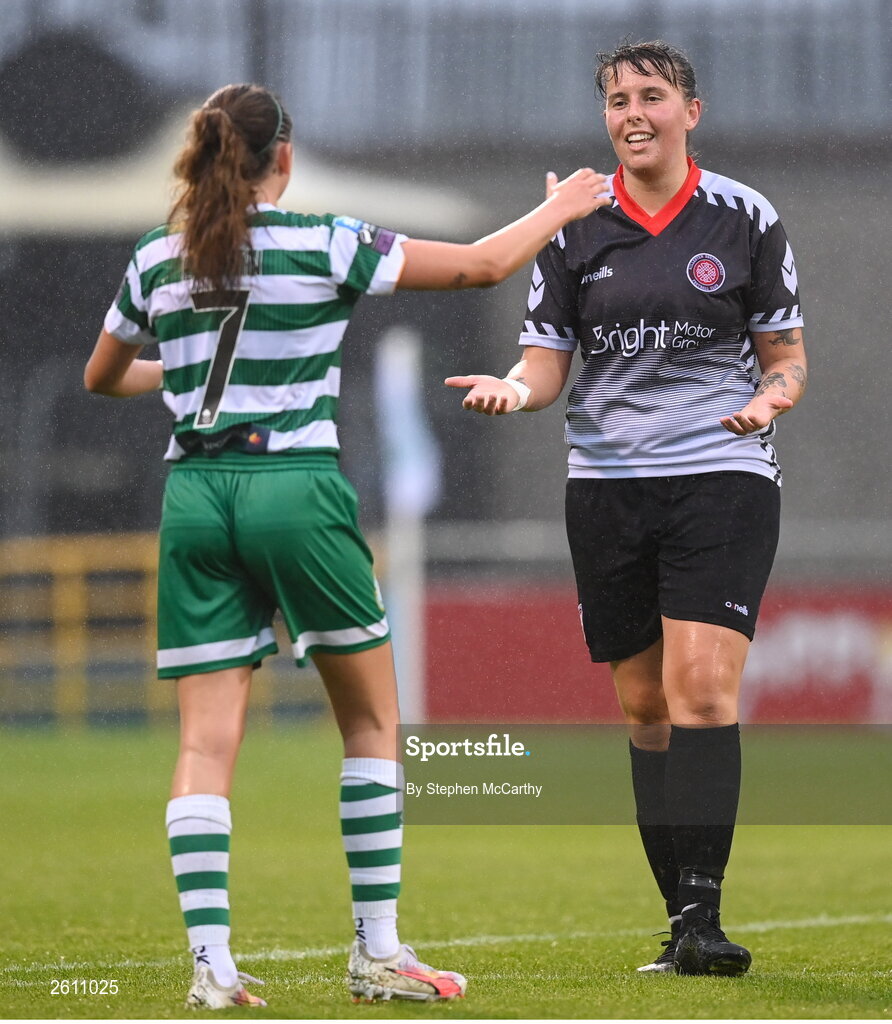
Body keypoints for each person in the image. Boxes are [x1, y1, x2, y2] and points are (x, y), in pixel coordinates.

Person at [83, 83, 608, 1009]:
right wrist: (563, 205)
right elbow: (484, 266)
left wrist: (204, 374)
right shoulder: (323, 239)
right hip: (295, 489)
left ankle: (210, 964)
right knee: (370, 723)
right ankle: (376, 951)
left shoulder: (156, 258)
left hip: (196, 498)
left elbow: (103, 376)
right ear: (282, 158)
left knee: (205, 745)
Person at [446, 40, 806, 977]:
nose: (631, 113)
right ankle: (681, 922)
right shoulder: (575, 224)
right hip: (606, 488)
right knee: (644, 706)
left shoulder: (746, 217)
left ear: (693, 110)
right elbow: (544, 368)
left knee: (701, 692)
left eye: (650, 96)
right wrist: (513, 393)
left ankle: (704, 918)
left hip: (721, 476)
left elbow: (787, 355)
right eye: (616, 100)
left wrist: (769, 401)